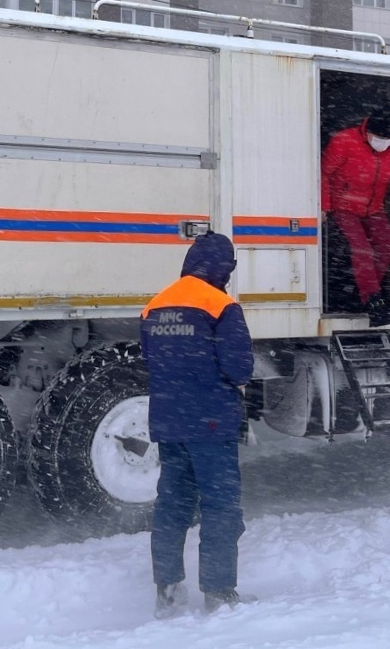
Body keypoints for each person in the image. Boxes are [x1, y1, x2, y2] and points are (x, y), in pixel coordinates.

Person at [140, 231, 256, 616]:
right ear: (224, 267)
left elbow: (153, 362)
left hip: (169, 421)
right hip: (211, 423)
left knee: (172, 505)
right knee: (220, 505)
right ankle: (219, 592)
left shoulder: (154, 306)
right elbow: (240, 369)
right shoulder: (221, 306)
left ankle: (167, 589)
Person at [321, 108, 390, 327]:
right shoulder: (343, 141)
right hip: (343, 205)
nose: (384, 142)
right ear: (367, 132)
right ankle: (373, 300)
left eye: (388, 138)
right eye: (380, 138)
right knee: (362, 248)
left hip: (373, 207)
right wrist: (324, 206)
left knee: (387, 243)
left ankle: (363, 291)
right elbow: (324, 173)